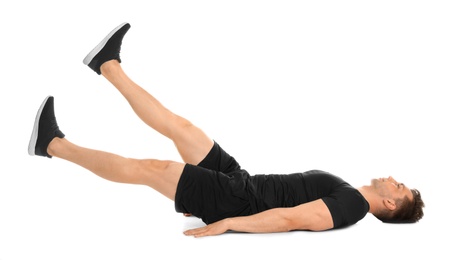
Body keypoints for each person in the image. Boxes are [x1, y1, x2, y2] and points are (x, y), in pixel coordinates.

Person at [28, 22, 424, 238]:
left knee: (153, 168)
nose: (394, 180)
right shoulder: (350, 193)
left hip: (237, 200)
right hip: (242, 181)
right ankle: (107, 64)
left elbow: (291, 219)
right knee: (184, 129)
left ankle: (53, 145)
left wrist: (230, 221)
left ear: (390, 205)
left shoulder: (353, 207)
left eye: (400, 187)